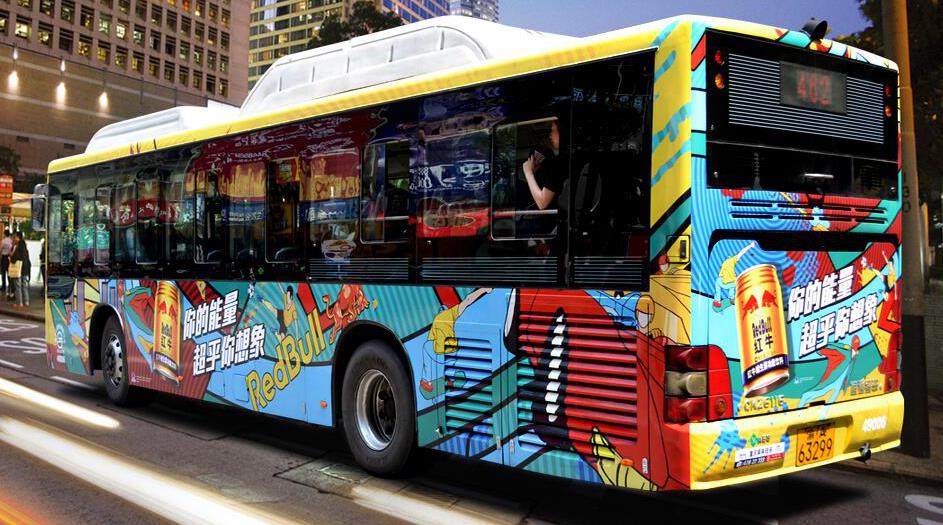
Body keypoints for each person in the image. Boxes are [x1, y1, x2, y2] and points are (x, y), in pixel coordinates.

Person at [522, 120, 565, 211]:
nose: (550, 135)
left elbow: (542, 203)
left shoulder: (556, 166)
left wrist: (528, 173)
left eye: (553, 130)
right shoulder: (557, 164)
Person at [11, 231, 30, 308]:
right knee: (24, 285)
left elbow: (16, 257)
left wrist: (11, 258)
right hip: (25, 268)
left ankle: (19, 303)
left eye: (15, 237)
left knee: (18, 286)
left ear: (18, 237)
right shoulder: (24, 246)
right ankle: (26, 302)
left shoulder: (18, 246)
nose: (14, 238)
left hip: (18, 268)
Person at [0, 229, 10, 296]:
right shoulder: (11, 241)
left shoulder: (3, 241)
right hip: (9, 257)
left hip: (4, 257)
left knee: (3, 272)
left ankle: (3, 286)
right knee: (9, 272)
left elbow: (0, 249)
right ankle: (10, 285)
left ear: (4, 234)